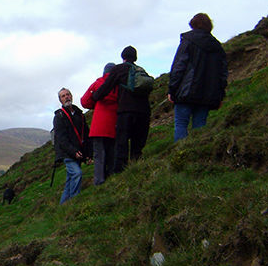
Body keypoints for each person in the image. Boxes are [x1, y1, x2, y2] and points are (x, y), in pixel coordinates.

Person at [167, 13, 228, 141]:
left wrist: (172, 90)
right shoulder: (217, 47)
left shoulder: (188, 41)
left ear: (193, 25)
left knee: (181, 124)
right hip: (207, 95)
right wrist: (220, 95)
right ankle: (196, 155)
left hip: (186, 92)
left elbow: (178, 67)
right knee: (200, 127)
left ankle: (179, 156)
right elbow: (222, 74)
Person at [91, 46, 152, 173]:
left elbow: (106, 87)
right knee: (137, 143)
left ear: (123, 57)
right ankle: (137, 168)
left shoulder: (118, 69)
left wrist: (95, 96)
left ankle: (120, 172)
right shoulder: (141, 71)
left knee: (122, 143)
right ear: (135, 57)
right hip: (144, 112)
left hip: (126, 111)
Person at [81, 63, 118, 185]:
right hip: (114, 125)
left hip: (98, 127)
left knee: (99, 156)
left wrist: (96, 104)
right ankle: (112, 179)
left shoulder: (97, 83)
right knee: (111, 154)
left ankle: (99, 182)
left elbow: (84, 101)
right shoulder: (118, 84)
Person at [53, 88, 90, 204]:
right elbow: (61, 138)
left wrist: (88, 154)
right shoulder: (59, 117)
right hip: (68, 153)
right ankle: (74, 202)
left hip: (79, 152)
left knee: (70, 180)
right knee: (77, 173)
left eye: (68, 95)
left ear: (72, 96)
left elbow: (86, 134)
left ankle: (63, 206)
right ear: (60, 100)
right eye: (63, 96)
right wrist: (73, 151)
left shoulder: (79, 114)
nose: (66, 97)